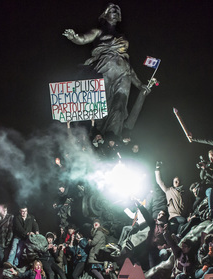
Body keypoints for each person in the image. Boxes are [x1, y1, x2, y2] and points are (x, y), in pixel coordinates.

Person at [63, 4, 150, 139]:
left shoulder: (122, 35)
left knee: (119, 107)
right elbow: (83, 39)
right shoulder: (98, 31)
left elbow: (127, 63)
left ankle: (113, 140)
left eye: (117, 10)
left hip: (123, 73)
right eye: (112, 10)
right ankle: (98, 138)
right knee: (101, 107)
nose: (115, 12)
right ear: (105, 14)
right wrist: (73, 37)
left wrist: (138, 84)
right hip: (104, 69)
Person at [155, 163, 190, 234]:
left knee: (181, 227)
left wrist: (190, 215)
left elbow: (189, 206)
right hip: (174, 217)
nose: (177, 183)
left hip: (183, 216)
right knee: (183, 222)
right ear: (173, 183)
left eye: (178, 181)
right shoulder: (169, 191)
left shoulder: (185, 194)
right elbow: (159, 182)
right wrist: (157, 169)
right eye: (175, 181)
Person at [0, 204, 14, 268]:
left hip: (6, 238)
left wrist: (8, 239)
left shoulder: (10, 217)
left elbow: (11, 229)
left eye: (6, 210)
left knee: (2, 250)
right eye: (3, 210)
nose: (4, 212)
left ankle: (2, 266)